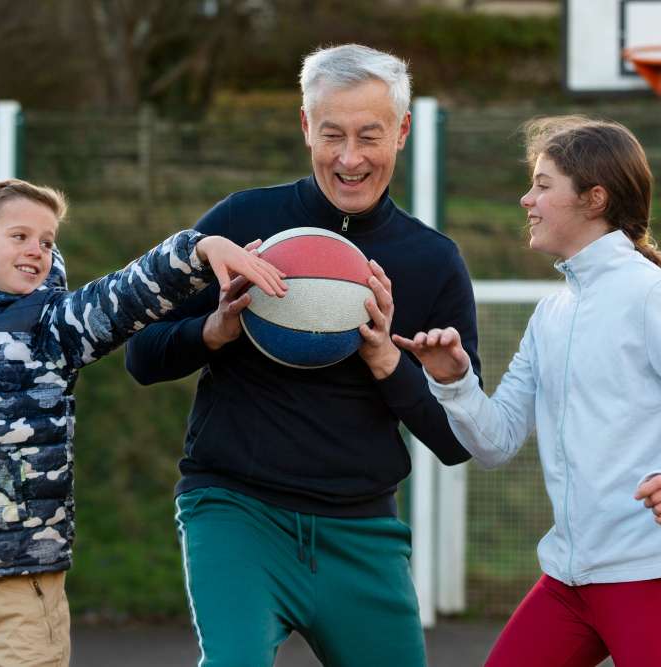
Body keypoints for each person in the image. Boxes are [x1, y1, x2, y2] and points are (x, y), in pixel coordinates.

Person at [125, 44, 480, 666]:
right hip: (236, 511)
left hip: (361, 532)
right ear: (305, 127)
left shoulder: (432, 260)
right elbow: (140, 355)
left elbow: (455, 442)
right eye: (331, 134)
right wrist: (213, 331)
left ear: (401, 130)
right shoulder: (242, 220)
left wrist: (387, 365)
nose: (349, 158)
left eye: (370, 136)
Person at [395, 116, 661, 667]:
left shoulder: (653, 297)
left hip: (657, 578)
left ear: (594, 199)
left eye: (543, 185)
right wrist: (453, 381)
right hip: (568, 582)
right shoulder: (551, 312)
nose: (527, 199)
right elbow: (494, 443)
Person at [0, 178, 286, 667]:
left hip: (21, 595)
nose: (38, 250)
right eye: (21, 236)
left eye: (48, 241)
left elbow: (124, 295)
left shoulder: (53, 324)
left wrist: (198, 251)